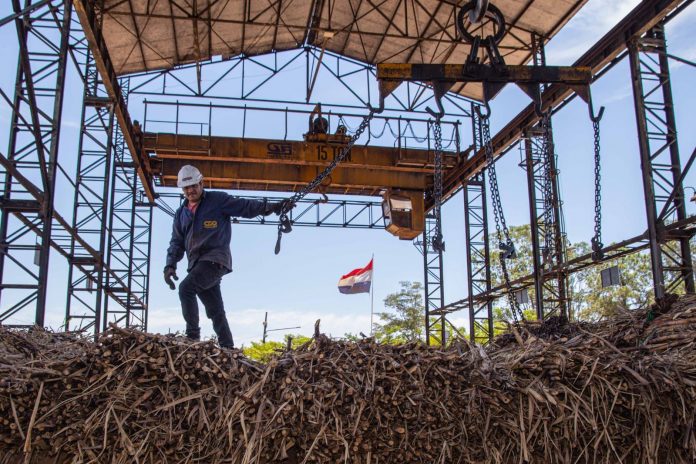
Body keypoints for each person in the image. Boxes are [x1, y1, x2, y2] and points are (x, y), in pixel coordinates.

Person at [164, 165, 292, 348]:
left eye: (193, 186)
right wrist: (170, 266)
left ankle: (192, 338)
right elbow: (176, 242)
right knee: (216, 311)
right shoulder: (181, 214)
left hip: (215, 260)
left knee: (186, 289)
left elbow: (245, 207)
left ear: (201, 182)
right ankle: (228, 348)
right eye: (186, 188)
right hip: (196, 264)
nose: (190, 191)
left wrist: (273, 206)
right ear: (182, 189)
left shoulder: (217, 200)